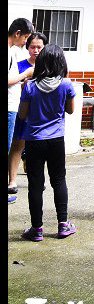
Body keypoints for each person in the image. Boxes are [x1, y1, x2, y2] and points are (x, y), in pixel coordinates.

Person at [16, 42, 77, 241]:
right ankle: (63, 225)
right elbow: (70, 110)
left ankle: (37, 229)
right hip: (56, 140)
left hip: (34, 140)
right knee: (58, 180)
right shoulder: (67, 84)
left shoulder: (30, 86)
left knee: (35, 183)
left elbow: (22, 115)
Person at [8, 30, 48, 201]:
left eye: (39, 47)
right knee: (17, 145)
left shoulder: (48, 66)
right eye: (32, 47)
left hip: (41, 114)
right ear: (28, 48)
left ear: (45, 48)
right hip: (22, 111)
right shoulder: (19, 65)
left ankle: (37, 179)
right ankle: (12, 180)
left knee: (39, 148)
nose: (36, 50)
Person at [8, 16, 35, 195]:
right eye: (25, 38)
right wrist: (25, 74)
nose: (25, 42)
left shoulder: (12, 51)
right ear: (18, 33)